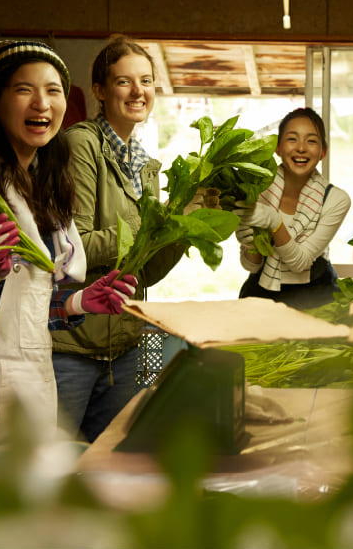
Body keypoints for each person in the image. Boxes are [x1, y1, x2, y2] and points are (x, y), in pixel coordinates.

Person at [0, 40, 136, 460]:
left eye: (53, 90)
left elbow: (23, 309)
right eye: (24, 89)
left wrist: (77, 302)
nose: (42, 103)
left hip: (35, 383)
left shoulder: (43, 192)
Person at [51, 37, 213, 443]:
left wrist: (181, 227)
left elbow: (146, 273)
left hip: (125, 348)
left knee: (113, 463)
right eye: (124, 81)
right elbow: (76, 251)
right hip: (72, 347)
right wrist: (153, 222)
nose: (138, 91)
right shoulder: (81, 144)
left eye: (146, 81)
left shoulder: (145, 165)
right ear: (101, 91)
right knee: (55, 466)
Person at [235, 107, 350, 310]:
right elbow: (251, 265)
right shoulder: (257, 189)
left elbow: (300, 262)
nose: (301, 148)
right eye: (292, 139)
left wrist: (274, 222)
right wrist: (250, 243)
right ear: (278, 148)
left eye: (311, 141)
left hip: (317, 297)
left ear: (323, 152)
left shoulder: (335, 200)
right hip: (262, 293)